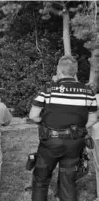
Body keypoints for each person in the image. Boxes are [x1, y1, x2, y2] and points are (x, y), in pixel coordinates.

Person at [28, 55, 98, 201]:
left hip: (50, 143)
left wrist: (45, 123)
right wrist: (76, 129)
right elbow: (93, 118)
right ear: (75, 72)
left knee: (41, 180)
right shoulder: (88, 92)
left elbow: (33, 115)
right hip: (74, 143)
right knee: (68, 182)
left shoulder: (48, 89)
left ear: (59, 71)